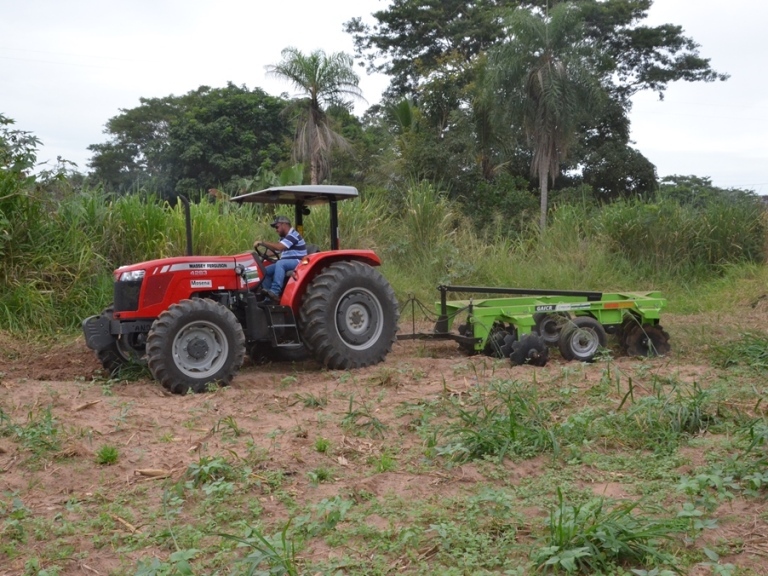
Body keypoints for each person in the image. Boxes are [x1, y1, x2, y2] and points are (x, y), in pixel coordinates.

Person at [254, 215, 307, 301]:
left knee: (280, 263)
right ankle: (269, 298)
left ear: (284, 224)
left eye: (277, 227)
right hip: (287, 262)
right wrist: (258, 254)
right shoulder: (284, 238)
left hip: (298, 262)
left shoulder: (293, 235)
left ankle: (275, 291)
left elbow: (279, 247)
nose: (276, 230)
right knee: (264, 271)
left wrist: (262, 242)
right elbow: (276, 251)